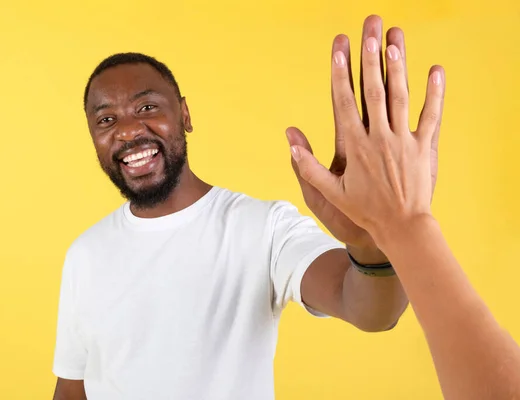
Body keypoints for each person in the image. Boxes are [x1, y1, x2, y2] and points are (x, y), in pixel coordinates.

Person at [52, 15, 423, 400]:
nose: (127, 131)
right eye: (106, 119)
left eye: (146, 107)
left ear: (185, 115)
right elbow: (72, 388)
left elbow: (372, 312)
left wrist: (370, 242)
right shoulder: (85, 254)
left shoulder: (263, 228)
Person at [289, 18, 520, 400]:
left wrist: (393, 228)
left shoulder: (254, 226)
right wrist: (393, 224)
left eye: (151, 104)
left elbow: (370, 313)